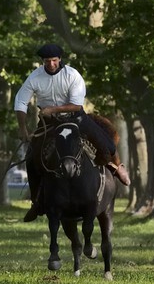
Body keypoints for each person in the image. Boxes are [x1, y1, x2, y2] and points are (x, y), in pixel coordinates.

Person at [15, 43, 130, 223]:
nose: (51, 64)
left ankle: (117, 167)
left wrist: (52, 109)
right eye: (47, 61)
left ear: (60, 59)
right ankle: (36, 202)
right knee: (31, 158)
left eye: (54, 60)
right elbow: (20, 102)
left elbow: (77, 105)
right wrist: (23, 129)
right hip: (49, 124)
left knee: (105, 142)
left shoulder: (72, 75)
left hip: (75, 118)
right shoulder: (34, 77)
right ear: (42, 61)